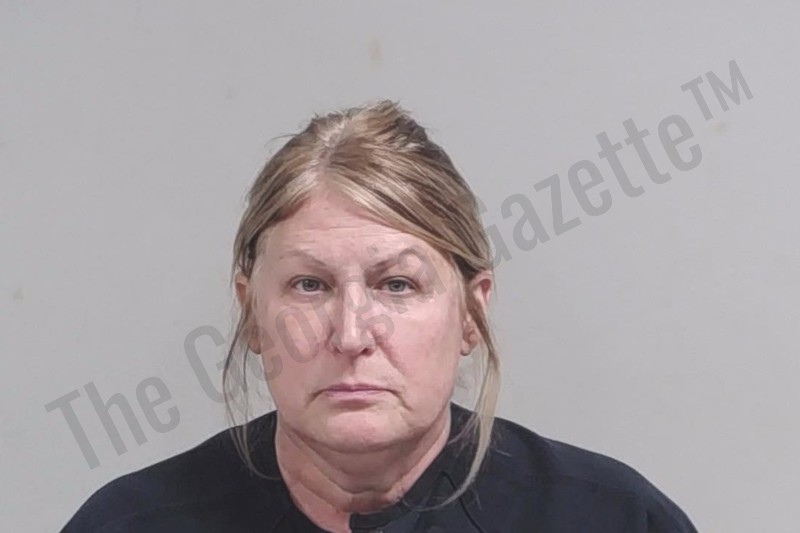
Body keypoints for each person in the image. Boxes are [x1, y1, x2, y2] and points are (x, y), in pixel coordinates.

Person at [61, 100, 699, 532]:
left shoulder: (610, 519)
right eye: (309, 285)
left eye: (397, 284)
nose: (350, 335)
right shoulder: (132, 522)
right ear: (252, 313)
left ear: (471, 313)